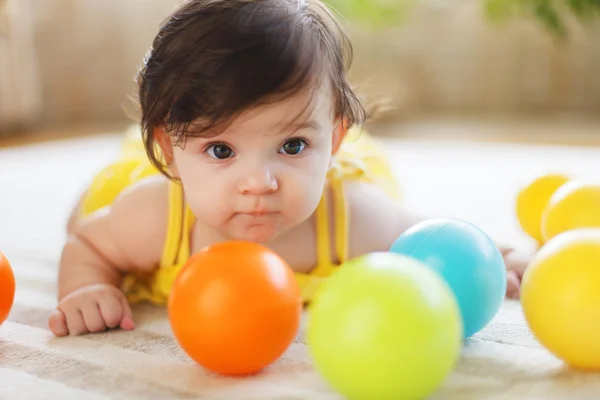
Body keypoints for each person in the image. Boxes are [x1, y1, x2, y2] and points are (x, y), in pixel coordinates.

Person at [48, 0, 526, 337]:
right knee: (85, 208)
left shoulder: (350, 218)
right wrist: (89, 286)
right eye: (221, 151)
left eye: (293, 145)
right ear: (172, 153)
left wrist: (492, 257)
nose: (260, 183)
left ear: (335, 141)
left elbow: (430, 237)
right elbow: (89, 242)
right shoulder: (156, 217)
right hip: (153, 187)